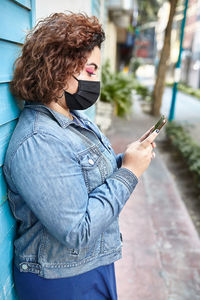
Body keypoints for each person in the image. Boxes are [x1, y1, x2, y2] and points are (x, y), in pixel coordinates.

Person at [3, 12, 159, 300]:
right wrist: (129, 172)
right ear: (59, 70)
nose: (95, 80)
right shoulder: (39, 141)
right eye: (90, 70)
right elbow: (77, 230)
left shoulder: (73, 119)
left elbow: (80, 182)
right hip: (62, 280)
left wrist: (127, 159)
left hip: (86, 265)